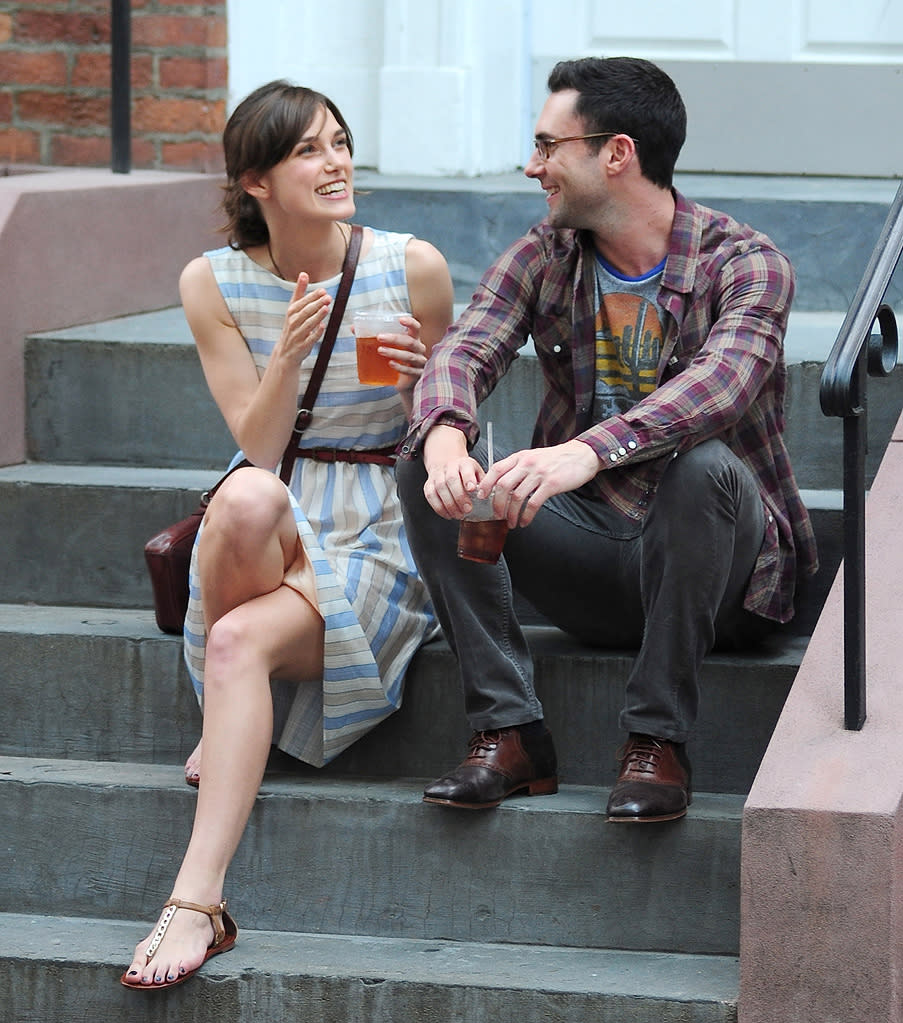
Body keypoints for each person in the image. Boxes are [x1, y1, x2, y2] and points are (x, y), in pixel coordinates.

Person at [396, 56, 818, 824]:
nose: (532, 167)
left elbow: (719, 386)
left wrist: (587, 449)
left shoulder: (747, 265)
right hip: (595, 556)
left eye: (547, 146)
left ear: (614, 152)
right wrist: (447, 437)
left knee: (702, 467)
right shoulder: (544, 257)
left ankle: (656, 742)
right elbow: (463, 349)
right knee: (424, 466)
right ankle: (509, 731)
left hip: (727, 577)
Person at [121, 80, 453, 990]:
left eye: (340, 142)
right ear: (254, 180)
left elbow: (446, 435)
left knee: (236, 637)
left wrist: (422, 399)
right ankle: (238, 712)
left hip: (381, 516)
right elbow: (258, 450)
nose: (336, 161)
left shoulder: (410, 266)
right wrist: (293, 355)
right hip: (279, 501)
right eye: (309, 150)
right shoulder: (211, 281)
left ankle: (196, 900)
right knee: (242, 500)